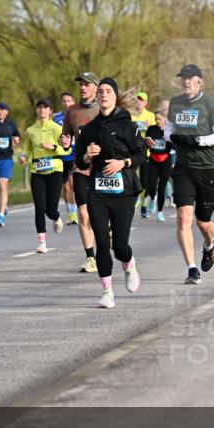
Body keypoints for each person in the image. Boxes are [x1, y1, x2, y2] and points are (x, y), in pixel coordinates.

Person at [74, 78, 145, 308]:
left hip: (124, 191)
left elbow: (141, 154)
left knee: (120, 245)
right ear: (97, 97)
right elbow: (79, 163)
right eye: (101, 91)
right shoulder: (89, 129)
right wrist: (87, 155)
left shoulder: (128, 125)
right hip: (98, 192)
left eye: (108, 91)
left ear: (115, 96)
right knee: (102, 243)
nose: (104, 94)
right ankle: (107, 292)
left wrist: (122, 163)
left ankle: (129, 264)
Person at [167, 64, 214, 284]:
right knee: (184, 218)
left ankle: (209, 244)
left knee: (204, 224)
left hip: (208, 168)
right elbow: (168, 128)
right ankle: (192, 269)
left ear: (199, 82)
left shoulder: (210, 104)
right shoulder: (175, 103)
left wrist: (199, 141)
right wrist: (172, 137)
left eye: (190, 78)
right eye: (183, 78)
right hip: (183, 168)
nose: (186, 82)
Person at [61, 72, 102, 273]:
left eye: (87, 84)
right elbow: (66, 136)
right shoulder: (72, 111)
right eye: (81, 85)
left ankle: (107, 235)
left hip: (104, 169)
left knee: (100, 214)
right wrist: (65, 142)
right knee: (83, 214)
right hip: (81, 167)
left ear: (96, 87)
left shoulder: (104, 108)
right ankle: (90, 257)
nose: (83, 88)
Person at [24, 97, 67, 252]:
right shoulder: (30, 130)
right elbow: (27, 149)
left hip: (55, 170)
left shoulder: (57, 128)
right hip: (37, 171)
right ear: (36, 110)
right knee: (40, 207)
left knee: (50, 209)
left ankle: (55, 216)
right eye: (40, 107)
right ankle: (42, 242)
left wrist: (53, 146)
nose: (42, 110)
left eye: (45, 107)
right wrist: (23, 157)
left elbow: (66, 149)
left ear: (50, 111)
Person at [130, 90, 157, 218]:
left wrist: (149, 127)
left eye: (141, 100)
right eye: (137, 99)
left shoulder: (150, 116)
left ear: (145, 102)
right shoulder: (130, 115)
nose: (138, 102)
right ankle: (135, 198)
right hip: (133, 151)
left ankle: (144, 203)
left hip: (146, 152)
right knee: (132, 177)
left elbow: (155, 134)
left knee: (144, 181)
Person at [144, 109, 174, 222]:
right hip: (153, 159)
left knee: (162, 187)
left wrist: (168, 140)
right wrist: (148, 143)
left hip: (165, 160)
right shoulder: (151, 129)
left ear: (165, 119)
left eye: (159, 119)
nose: (157, 121)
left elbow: (174, 147)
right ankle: (152, 198)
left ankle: (160, 212)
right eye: (156, 119)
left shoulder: (169, 131)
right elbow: (146, 145)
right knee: (151, 186)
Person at [54, 92, 78, 224]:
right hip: (61, 156)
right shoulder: (56, 118)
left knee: (72, 183)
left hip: (74, 154)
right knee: (66, 186)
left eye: (69, 100)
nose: (66, 103)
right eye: (64, 101)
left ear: (73, 102)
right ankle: (69, 211)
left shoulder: (78, 115)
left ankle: (74, 213)